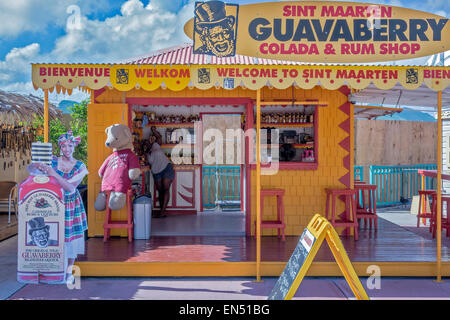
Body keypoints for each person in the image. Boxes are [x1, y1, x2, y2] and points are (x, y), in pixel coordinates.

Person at [30, 130, 88, 284]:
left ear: (74, 146)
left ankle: (69, 272)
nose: (67, 149)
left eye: (70, 146)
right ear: (60, 147)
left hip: (70, 204)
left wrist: (52, 173)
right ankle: (52, 270)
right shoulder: (53, 161)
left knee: (70, 239)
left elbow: (70, 188)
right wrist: (37, 163)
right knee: (53, 236)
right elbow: (31, 171)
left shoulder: (80, 166)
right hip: (51, 203)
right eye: (63, 146)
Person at [146, 126, 175, 218]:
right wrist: (145, 150)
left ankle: (162, 211)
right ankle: (161, 211)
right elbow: (148, 163)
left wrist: (153, 130)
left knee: (166, 189)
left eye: (150, 140)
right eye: (146, 142)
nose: (148, 142)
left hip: (166, 167)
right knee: (160, 190)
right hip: (156, 171)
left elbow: (159, 137)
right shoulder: (147, 152)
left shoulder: (156, 145)